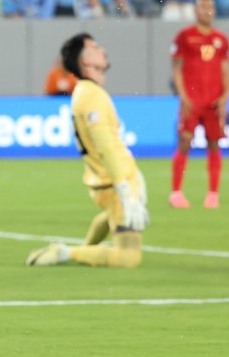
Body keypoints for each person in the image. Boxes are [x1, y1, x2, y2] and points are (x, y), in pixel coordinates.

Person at [25, 33, 148, 268]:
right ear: (86, 61)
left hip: (111, 181)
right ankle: (65, 253)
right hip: (113, 183)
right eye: (95, 47)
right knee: (128, 258)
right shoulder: (91, 96)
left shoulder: (87, 92)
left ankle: (85, 249)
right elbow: (106, 147)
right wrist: (125, 189)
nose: (102, 49)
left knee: (113, 215)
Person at [168, 0, 229, 209]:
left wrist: (225, 96)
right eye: (203, 7)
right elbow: (176, 68)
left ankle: (213, 194)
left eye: (211, 6)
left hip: (213, 101)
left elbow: (224, 69)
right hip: (192, 100)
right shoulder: (185, 37)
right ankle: (176, 192)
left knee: (214, 143)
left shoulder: (221, 39)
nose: (207, 10)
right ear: (195, 11)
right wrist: (182, 95)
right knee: (185, 141)